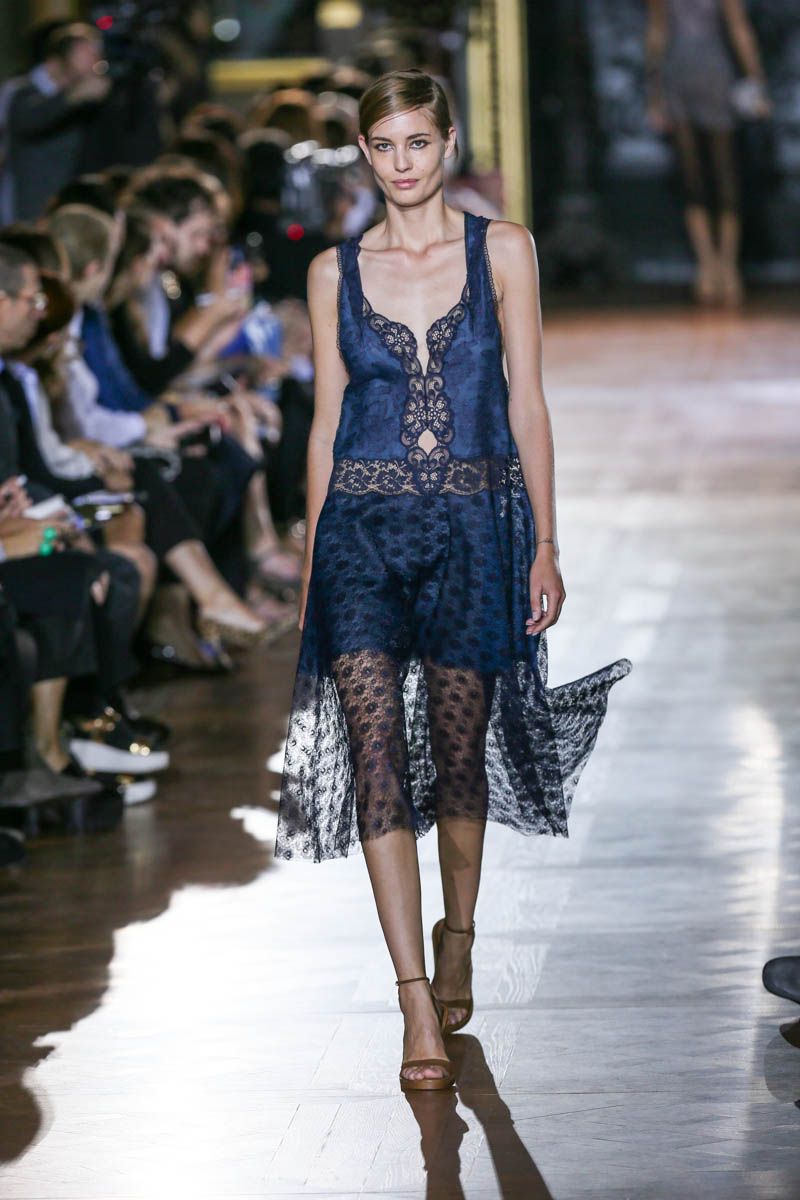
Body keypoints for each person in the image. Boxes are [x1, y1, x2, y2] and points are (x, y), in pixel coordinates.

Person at [274, 69, 632, 1092]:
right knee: (378, 758)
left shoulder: (502, 249)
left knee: (458, 753)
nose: (401, 163)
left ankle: (459, 932)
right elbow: (324, 425)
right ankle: (413, 1002)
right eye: (383, 146)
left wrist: (545, 543)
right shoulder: (334, 272)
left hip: (475, 527)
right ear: (363, 152)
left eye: (417, 143)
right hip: (360, 533)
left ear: (448, 143)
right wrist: (312, 563)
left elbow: (527, 405)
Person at [645, 0, 771, 305]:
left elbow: (738, 28)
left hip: (713, 75)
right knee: (692, 176)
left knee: (723, 173)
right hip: (681, 77)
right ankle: (708, 264)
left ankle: (727, 265)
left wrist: (756, 82)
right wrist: (655, 93)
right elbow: (657, 31)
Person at [5, 23, 110, 221]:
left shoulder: (87, 103)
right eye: (85, 55)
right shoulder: (24, 94)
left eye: (96, 55)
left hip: (67, 206)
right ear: (55, 61)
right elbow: (31, 121)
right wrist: (73, 96)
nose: (94, 63)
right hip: (29, 209)